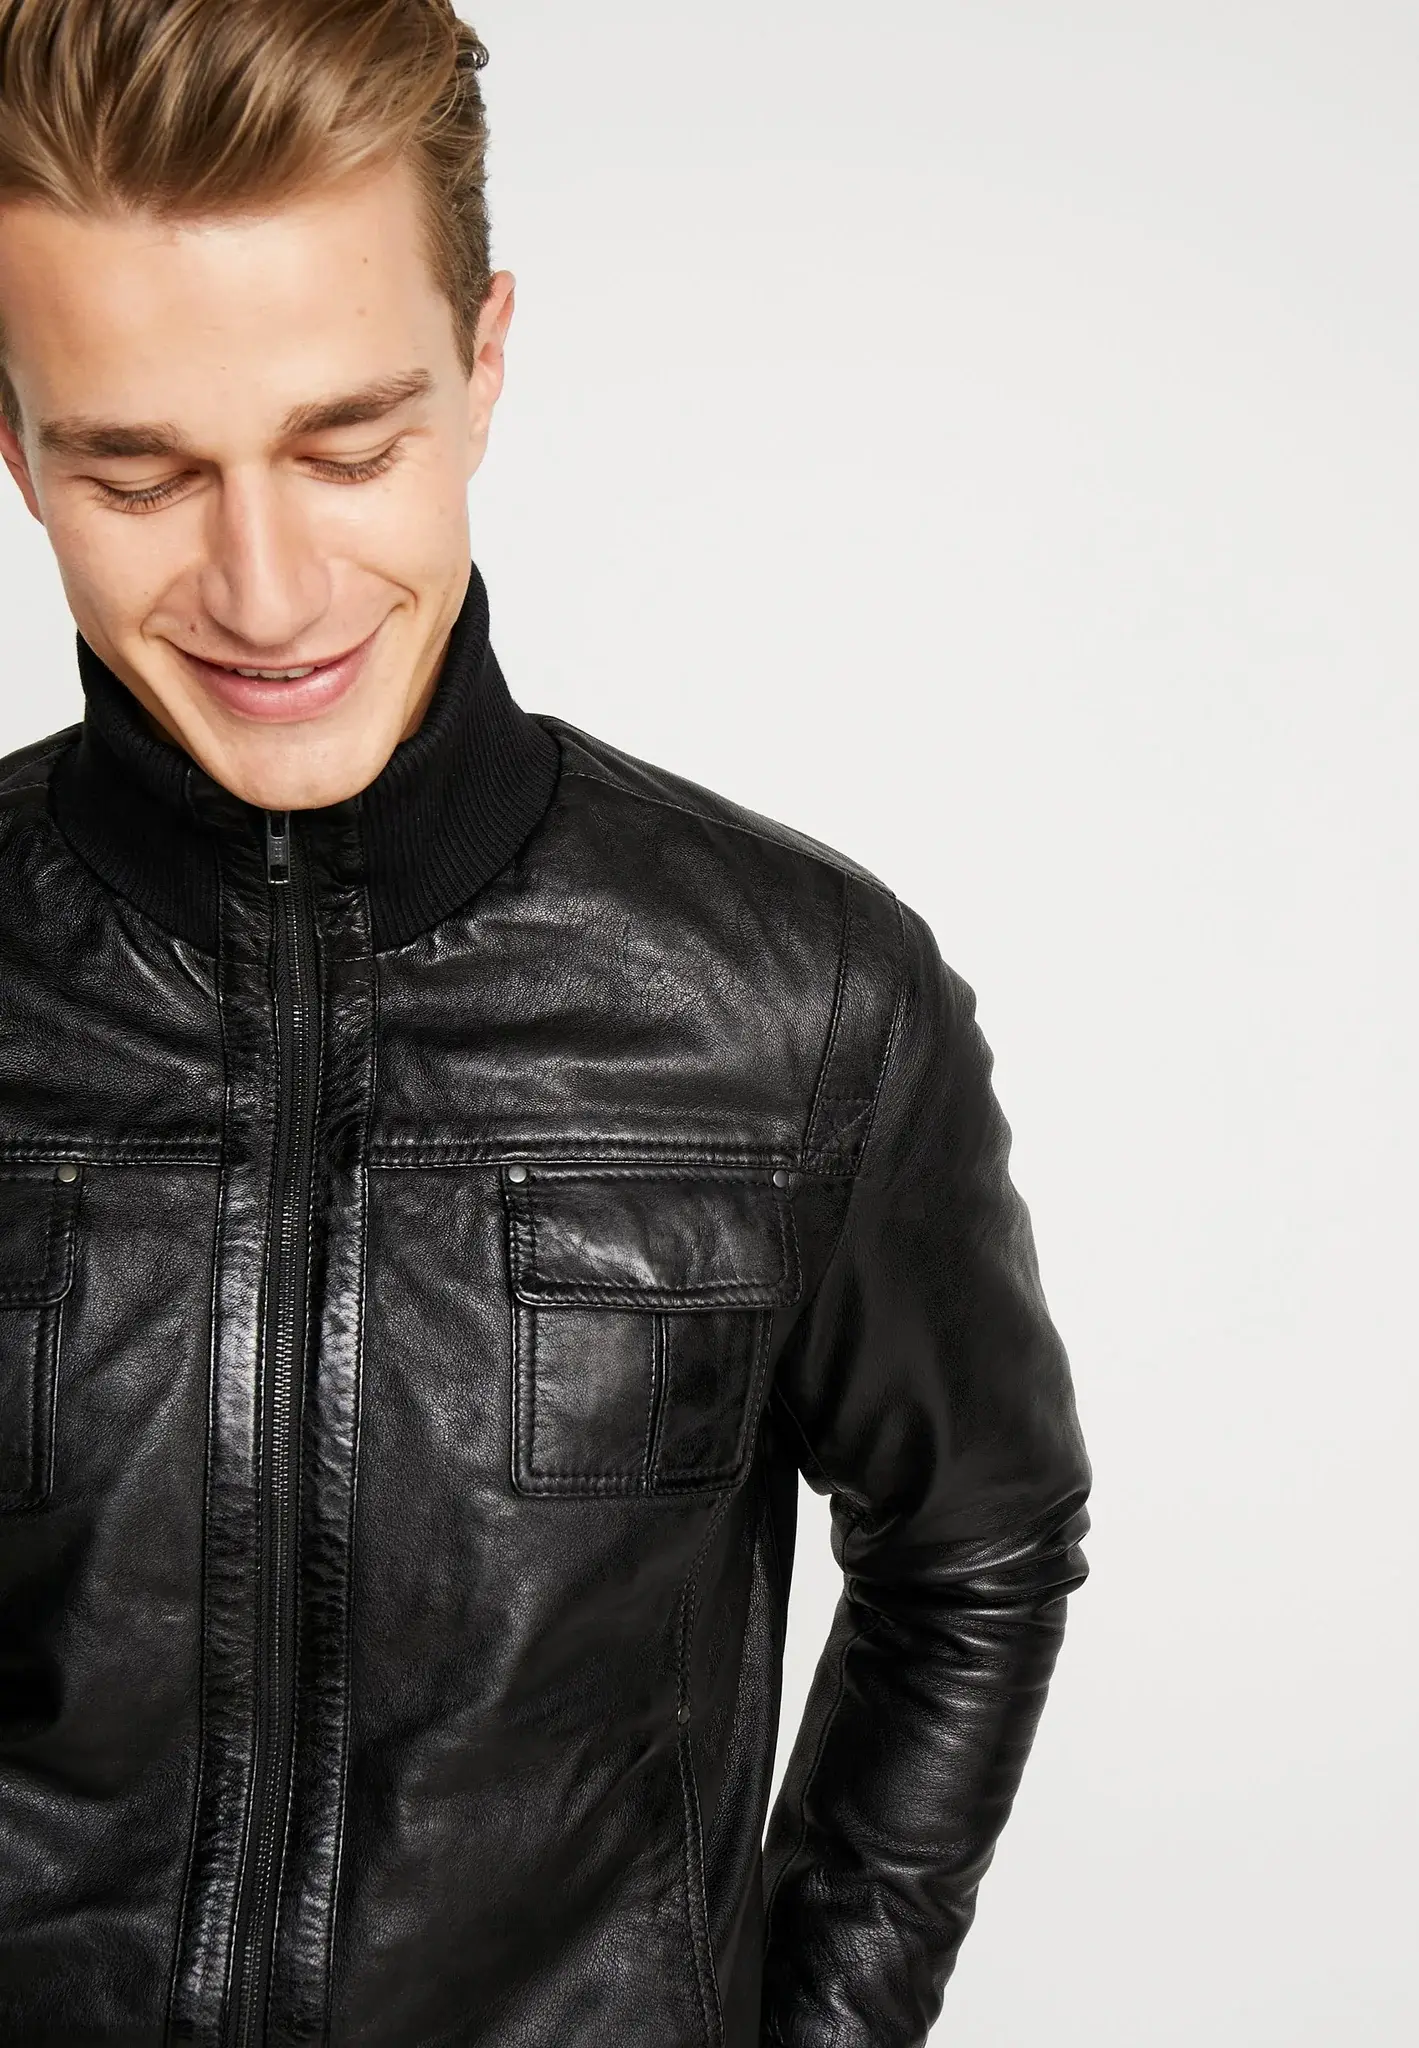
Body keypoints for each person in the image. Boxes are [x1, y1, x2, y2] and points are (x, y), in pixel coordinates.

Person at [0, 5, 1092, 2044]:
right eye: (137, 472)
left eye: (349, 449)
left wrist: (820, 2023)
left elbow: (978, 1540)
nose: (265, 591)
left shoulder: (800, 999)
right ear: (15, 440)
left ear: (484, 362)